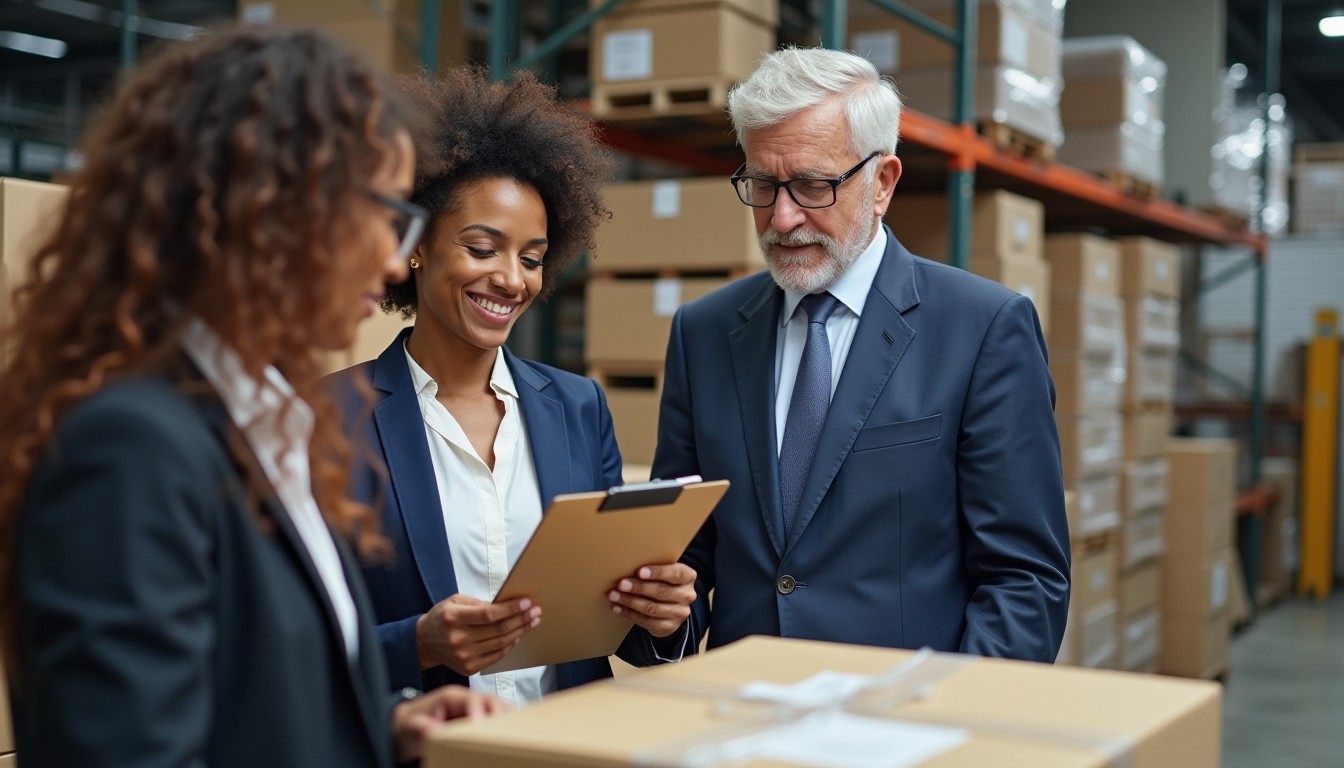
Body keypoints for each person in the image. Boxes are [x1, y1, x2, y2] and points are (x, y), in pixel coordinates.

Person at [0, 27, 505, 767]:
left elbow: (247, 691)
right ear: (272, 208)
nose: (397, 261)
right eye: (385, 216)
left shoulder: (264, 423)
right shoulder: (129, 445)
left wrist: (387, 724)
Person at [651, 47, 1070, 662]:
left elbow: (1024, 580)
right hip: (740, 705)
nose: (782, 218)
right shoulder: (705, 332)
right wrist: (661, 617)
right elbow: (682, 555)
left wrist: (950, 712)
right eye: (763, 185)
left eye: (813, 185)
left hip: (902, 713)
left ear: (882, 184)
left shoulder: (982, 328)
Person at [327, 67, 695, 706]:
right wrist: (419, 643)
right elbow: (292, 644)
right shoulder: (331, 415)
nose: (511, 279)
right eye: (482, 248)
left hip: (560, 740)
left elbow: (617, 630)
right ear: (415, 245)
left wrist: (660, 616)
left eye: (531, 259)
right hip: (428, 742)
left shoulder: (577, 407)